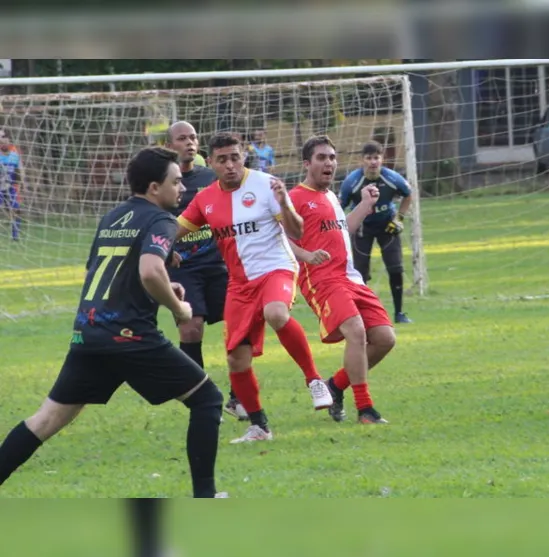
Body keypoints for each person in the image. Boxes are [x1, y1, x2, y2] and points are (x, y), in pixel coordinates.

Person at [0, 147, 225, 497]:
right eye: (176, 182)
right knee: (208, 400)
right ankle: (206, 499)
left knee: (46, 420)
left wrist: (164, 280)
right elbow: (149, 271)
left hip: (89, 332)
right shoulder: (161, 219)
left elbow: (109, 270)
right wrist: (179, 310)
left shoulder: (113, 216)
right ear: (154, 187)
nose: (182, 188)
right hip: (129, 336)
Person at [174, 132, 333, 444]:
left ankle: (314, 380)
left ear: (243, 156)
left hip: (276, 269)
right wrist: (159, 247)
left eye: (235, 157)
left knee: (275, 313)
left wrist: (285, 202)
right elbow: (176, 230)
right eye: (222, 159)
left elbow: (297, 231)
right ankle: (259, 426)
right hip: (239, 284)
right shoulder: (205, 199)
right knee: (236, 359)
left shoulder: (265, 184)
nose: (230, 165)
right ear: (213, 162)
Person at [288, 135, 396, 425]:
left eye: (332, 157)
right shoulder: (296, 197)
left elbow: (342, 229)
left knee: (385, 338)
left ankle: (334, 386)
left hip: (349, 277)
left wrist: (364, 204)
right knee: (356, 332)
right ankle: (366, 410)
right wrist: (307, 256)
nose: (329, 163)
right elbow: (280, 240)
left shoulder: (331, 196)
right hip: (321, 278)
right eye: (322, 158)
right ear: (307, 164)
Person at [165, 121, 248, 420]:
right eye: (181, 138)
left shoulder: (210, 178)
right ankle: (200, 397)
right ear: (169, 145)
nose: (189, 143)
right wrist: (163, 247)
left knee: (240, 323)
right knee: (191, 326)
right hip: (182, 267)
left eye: (193, 137)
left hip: (217, 264)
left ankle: (239, 397)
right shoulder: (163, 181)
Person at [340, 140, 413, 324]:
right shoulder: (351, 182)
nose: (373, 162)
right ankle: (362, 316)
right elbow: (340, 207)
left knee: (395, 268)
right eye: (369, 158)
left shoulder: (392, 178)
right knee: (359, 273)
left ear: (382, 159)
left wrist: (399, 218)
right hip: (362, 227)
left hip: (387, 225)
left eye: (376, 158)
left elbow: (408, 194)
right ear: (361, 160)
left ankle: (399, 313)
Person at [0, 128, 23, 240]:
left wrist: (20, 182)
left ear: (8, 139)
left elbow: (19, 172)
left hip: (10, 187)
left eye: (3, 136)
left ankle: (15, 236)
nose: (1, 139)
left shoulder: (15, 155)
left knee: (16, 210)